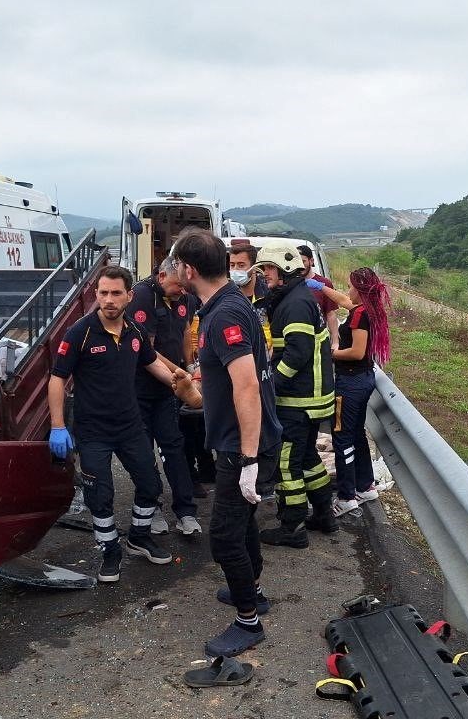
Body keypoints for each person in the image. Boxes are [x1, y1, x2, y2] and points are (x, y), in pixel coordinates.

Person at [170, 227, 282, 657]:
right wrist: (193, 394)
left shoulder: (224, 316)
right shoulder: (229, 305)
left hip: (244, 447)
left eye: (177, 263)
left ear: (189, 269)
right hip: (245, 442)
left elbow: (247, 387)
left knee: (223, 537)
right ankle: (251, 591)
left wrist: (249, 458)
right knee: (242, 524)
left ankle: (248, 621)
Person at [47, 266, 197, 583]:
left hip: (130, 427)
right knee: (100, 496)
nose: (109, 299)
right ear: (96, 295)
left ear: (129, 296)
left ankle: (138, 537)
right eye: (103, 293)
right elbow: (58, 378)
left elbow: (152, 362)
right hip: (93, 432)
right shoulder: (80, 332)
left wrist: (177, 381)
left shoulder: (134, 331)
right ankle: (110, 550)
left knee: (151, 485)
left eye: (116, 293)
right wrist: (57, 425)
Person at [254, 239, 337, 548]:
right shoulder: (297, 297)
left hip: (299, 401)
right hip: (311, 399)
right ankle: (324, 514)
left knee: (287, 464)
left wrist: (270, 386)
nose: (264, 275)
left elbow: (297, 354)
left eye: (269, 269)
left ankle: (293, 527)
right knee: (308, 458)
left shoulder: (295, 304)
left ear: (286, 270)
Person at [307, 269, 391, 517]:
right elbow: (343, 300)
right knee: (356, 435)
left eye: (351, 287)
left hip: (350, 382)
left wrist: (330, 353)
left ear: (360, 290)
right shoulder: (367, 309)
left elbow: (356, 352)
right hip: (361, 380)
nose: (348, 291)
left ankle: (346, 497)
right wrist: (319, 286)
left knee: (342, 437)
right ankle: (365, 486)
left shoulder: (359, 317)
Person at [127, 258, 202, 534]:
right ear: (161, 276)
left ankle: (185, 511)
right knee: (144, 452)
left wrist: (191, 365)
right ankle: (152, 506)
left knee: (173, 446)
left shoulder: (184, 295)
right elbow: (147, 351)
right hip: (142, 388)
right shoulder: (142, 297)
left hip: (170, 389)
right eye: (177, 286)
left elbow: (184, 331)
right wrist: (180, 375)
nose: (181, 292)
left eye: (185, 287)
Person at [299, 244, 339, 350]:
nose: (300, 266)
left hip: (319, 340)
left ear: (311, 261)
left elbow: (330, 314)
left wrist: (335, 342)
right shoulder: (289, 284)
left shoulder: (324, 284)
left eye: (303, 261)